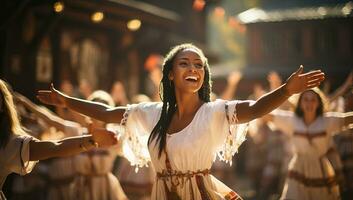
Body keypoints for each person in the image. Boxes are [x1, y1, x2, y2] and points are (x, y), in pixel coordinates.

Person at [37, 43, 325, 200]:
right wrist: (66, 101)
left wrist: (287, 90)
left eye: (199, 65)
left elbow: (257, 108)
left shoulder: (214, 112)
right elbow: (108, 114)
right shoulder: (151, 113)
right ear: (171, 74)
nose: (194, 68)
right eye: (185, 63)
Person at [0, 79, 118, 200]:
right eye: (93, 112)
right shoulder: (77, 132)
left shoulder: (114, 136)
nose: (96, 116)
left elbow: (56, 146)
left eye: (98, 113)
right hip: (81, 190)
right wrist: (26, 103)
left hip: (104, 190)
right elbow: (50, 119)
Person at [265, 87, 353, 200]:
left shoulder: (327, 121)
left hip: (320, 169)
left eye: (313, 100)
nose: (309, 103)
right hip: (298, 169)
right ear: (300, 103)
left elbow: (348, 119)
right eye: (305, 99)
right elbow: (266, 115)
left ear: (318, 103)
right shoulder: (293, 120)